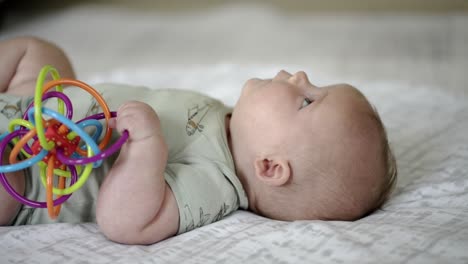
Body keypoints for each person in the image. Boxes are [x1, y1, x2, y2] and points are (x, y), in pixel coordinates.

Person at [0, 36, 397, 245]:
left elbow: (125, 224)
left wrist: (146, 151)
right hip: (41, 103)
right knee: (38, 51)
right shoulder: (231, 118)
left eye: (308, 99)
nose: (301, 76)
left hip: (27, 174)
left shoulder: (214, 183)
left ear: (270, 166)